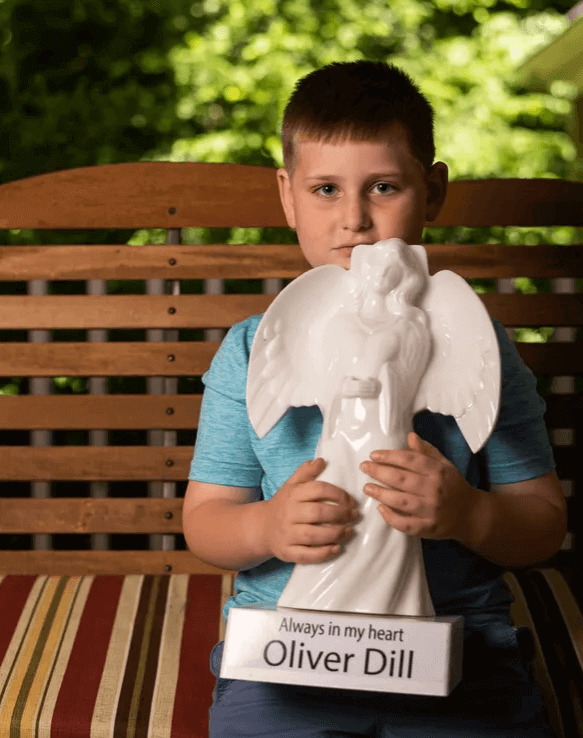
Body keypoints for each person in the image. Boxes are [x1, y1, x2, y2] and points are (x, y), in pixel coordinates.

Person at [183, 60, 567, 737]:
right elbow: (206, 519)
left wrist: (467, 515)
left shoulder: (472, 339)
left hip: (455, 651)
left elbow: (539, 520)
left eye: (383, 187)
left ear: (433, 189)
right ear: (287, 196)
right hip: (287, 651)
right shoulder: (252, 347)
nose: (353, 221)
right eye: (324, 189)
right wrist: (267, 528)